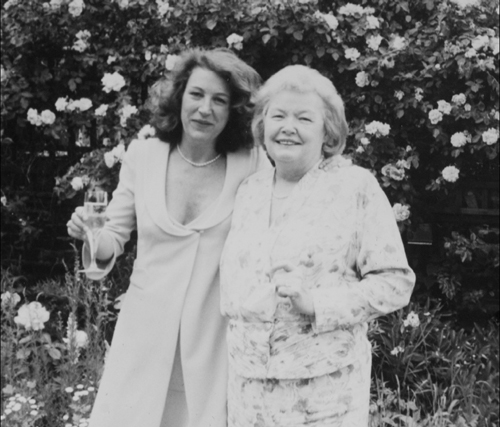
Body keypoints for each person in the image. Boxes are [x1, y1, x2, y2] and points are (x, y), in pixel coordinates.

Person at [66, 48, 271, 427]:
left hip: (213, 341)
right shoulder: (143, 156)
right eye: (196, 95)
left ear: (233, 110)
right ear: (179, 98)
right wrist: (91, 233)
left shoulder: (253, 164)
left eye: (219, 100)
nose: (204, 109)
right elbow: (112, 238)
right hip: (142, 338)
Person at [220, 65, 416, 426]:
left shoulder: (355, 187)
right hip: (249, 392)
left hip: (325, 394)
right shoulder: (250, 190)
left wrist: (319, 303)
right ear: (263, 126)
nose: (288, 127)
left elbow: (395, 281)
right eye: (277, 116)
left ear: (327, 130)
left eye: (304, 118)